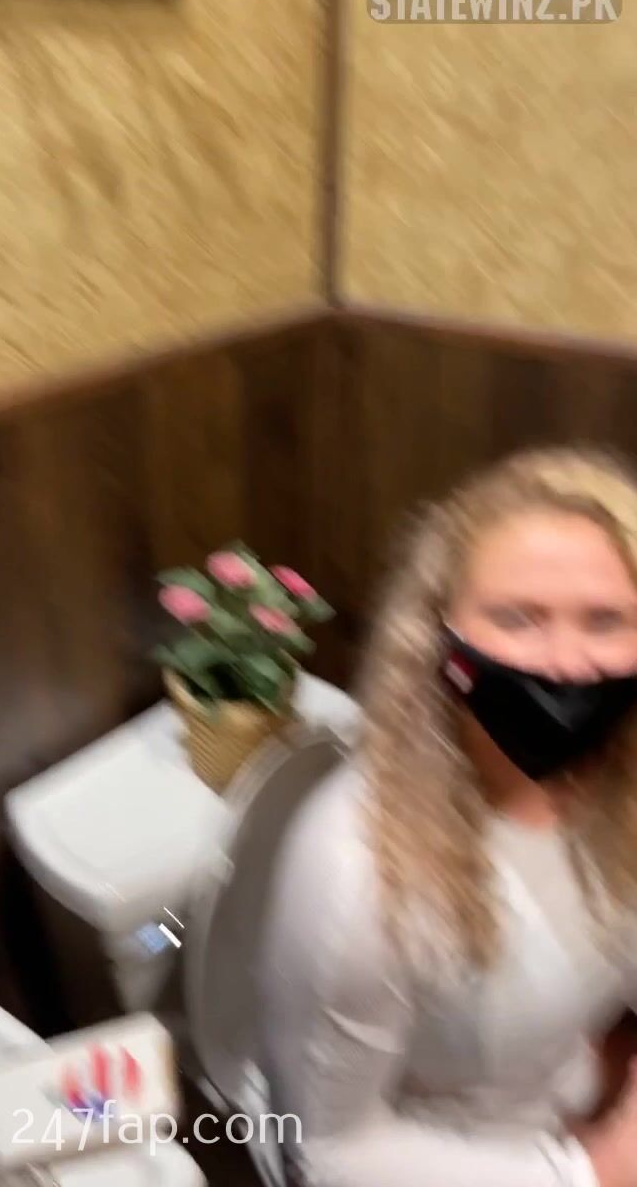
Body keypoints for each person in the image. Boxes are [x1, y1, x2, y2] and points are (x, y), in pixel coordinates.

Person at [257, 446, 637, 1187]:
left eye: (605, 620)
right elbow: (327, 1149)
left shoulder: (621, 787)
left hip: (563, 1101)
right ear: (438, 639)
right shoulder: (353, 871)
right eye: (517, 617)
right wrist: (588, 1172)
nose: (566, 664)